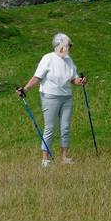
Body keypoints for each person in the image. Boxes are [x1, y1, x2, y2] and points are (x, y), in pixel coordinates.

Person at [17, 33, 87, 167]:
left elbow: (73, 79)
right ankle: (45, 159)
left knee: (65, 127)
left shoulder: (69, 60)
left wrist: (81, 81)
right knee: (50, 127)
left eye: (69, 46)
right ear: (59, 46)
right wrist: (25, 89)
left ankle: (65, 157)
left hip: (66, 97)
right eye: (67, 46)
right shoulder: (47, 59)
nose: (69, 48)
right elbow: (37, 77)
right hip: (50, 97)